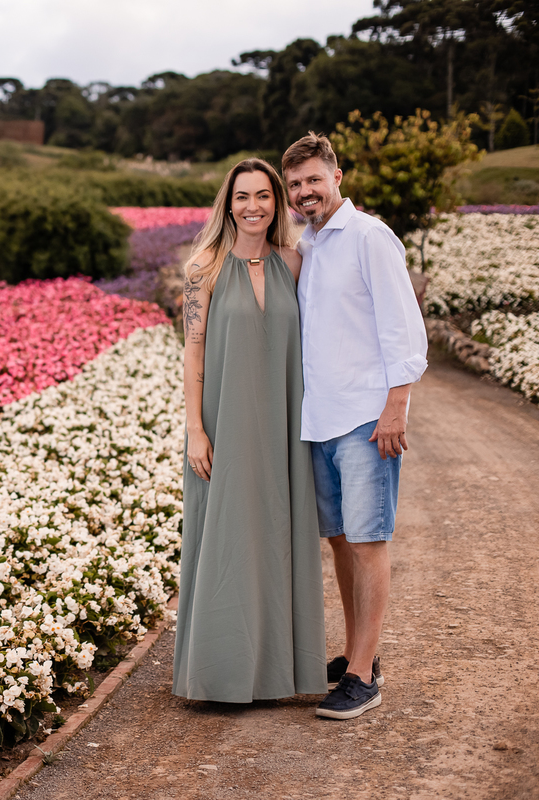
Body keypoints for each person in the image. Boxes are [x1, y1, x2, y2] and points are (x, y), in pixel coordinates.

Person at [282, 133, 428, 720]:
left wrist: (397, 407)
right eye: (295, 185)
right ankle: (353, 655)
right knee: (341, 540)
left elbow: (403, 327)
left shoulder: (369, 236)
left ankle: (364, 675)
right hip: (319, 419)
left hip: (367, 419)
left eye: (313, 179)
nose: (304, 192)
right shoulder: (308, 245)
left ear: (338, 177)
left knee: (368, 541)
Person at [172, 158, 328, 703]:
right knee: (227, 542)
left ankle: (277, 674)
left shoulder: (296, 261)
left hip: (285, 425)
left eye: (264, 195)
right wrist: (195, 428)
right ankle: (219, 673)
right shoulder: (204, 268)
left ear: (277, 202)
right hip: (224, 422)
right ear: (228, 203)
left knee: (277, 537)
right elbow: (193, 355)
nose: (254, 206)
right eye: (243, 196)